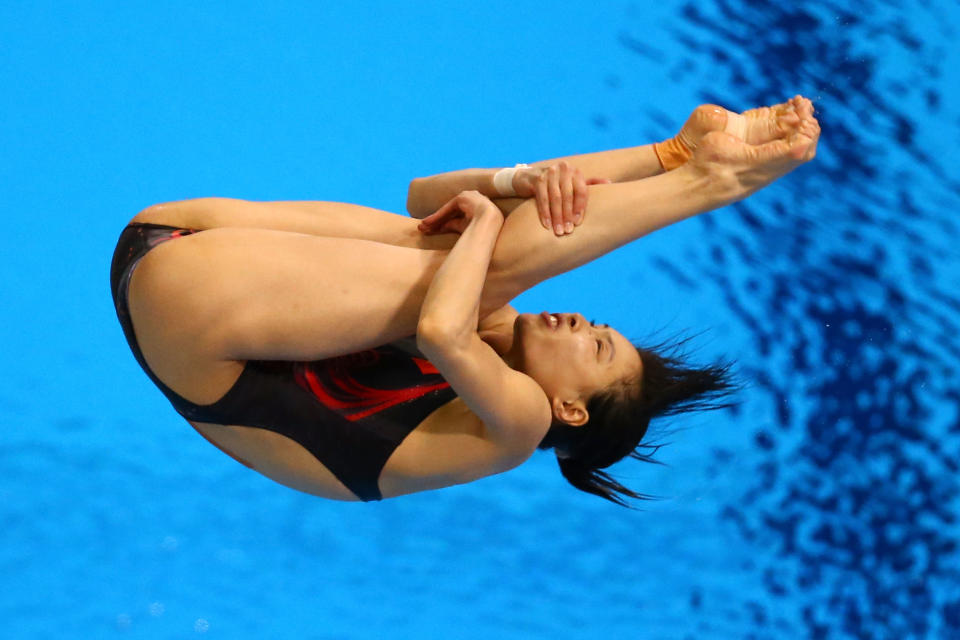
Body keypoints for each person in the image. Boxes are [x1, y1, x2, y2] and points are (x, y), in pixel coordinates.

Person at [110, 96, 820, 507]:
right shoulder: (497, 324)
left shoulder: (516, 425)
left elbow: (444, 331)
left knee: (478, 260)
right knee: (464, 248)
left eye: (596, 345)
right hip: (172, 241)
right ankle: (671, 157)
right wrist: (512, 181)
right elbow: (423, 197)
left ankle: (709, 181)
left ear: (570, 408)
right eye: (602, 326)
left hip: (187, 311)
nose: (583, 320)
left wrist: (485, 217)